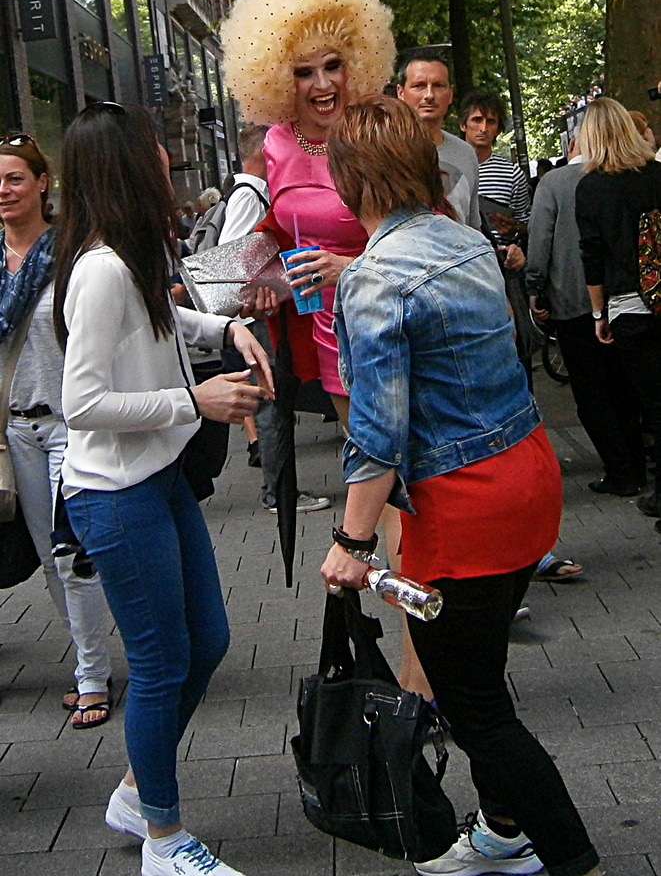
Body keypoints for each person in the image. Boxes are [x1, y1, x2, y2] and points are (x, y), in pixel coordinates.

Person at [320, 95, 602, 876]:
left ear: (352, 180)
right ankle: (504, 830)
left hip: (464, 504)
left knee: (475, 708)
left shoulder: (372, 279)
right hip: (528, 476)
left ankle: (573, 859)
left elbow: (375, 432)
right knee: (479, 672)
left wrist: (351, 541)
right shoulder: (466, 239)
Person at [53, 102, 274, 876]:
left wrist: (225, 332)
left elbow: (162, 326)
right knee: (158, 664)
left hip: (158, 477)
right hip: (116, 496)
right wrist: (195, 401)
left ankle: (134, 790)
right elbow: (79, 403)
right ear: (124, 162)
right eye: (150, 145)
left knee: (205, 642)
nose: (163, 154)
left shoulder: (131, 254)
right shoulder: (103, 269)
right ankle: (163, 839)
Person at [222, 0, 395, 430]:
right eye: (303, 72)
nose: (323, 85)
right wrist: (261, 285)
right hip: (328, 328)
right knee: (366, 463)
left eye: (333, 66)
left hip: (392, 320)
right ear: (277, 78)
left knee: (408, 472)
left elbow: (427, 239)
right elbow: (280, 231)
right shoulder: (277, 141)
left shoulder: (378, 130)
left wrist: (349, 267)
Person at [0, 134, 112, 727]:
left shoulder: (71, 251)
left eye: (15, 178)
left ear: (44, 183)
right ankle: (87, 659)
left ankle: (94, 677)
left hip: (71, 423)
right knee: (47, 560)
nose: (4, 190)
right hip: (12, 431)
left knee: (73, 558)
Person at [527, 133, 646, 498]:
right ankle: (638, 464)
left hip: (572, 300)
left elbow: (540, 237)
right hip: (623, 298)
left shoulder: (554, 182)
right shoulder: (628, 176)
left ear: (572, 145)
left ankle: (620, 470)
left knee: (591, 390)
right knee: (624, 386)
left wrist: (535, 283)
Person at [576, 97, 661, 523]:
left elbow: (592, 256)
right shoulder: (657, 176)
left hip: (628, 306)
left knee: (651, 399)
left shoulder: (590, 188)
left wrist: (598, 314)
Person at [396, 49, 480, 229]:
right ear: (400, 93)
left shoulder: (465, 153)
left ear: (450, 94)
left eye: (438, 85)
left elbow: (473, 226)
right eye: (419, 85)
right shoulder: (383, 151)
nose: (429, 95)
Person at [459, 89, 531, 241]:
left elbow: (527, 225)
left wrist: (514, 229)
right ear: (463, 125)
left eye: (490, 122)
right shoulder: (446, 168)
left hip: (498, 259)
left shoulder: (512, 174)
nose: (483, 129)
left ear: (498, 129)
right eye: (477, 120)